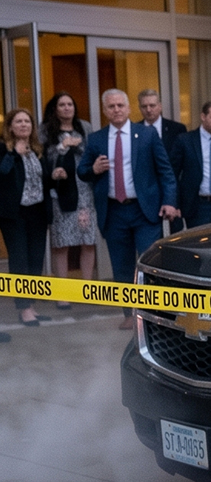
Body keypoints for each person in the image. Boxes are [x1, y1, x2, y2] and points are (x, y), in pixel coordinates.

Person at [79, 89, 178, 329]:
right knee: (121, 265)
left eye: (120, 105)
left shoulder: (147, 134)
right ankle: (129, 314)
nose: (116, 110)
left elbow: (166, 172)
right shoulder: (96, 139)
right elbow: (82, 172)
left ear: (129, 108)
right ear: (104, 111)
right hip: (114, 212)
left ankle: (153, 315)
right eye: (111, 106)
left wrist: (170, 201)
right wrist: (94, 169)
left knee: (148, 262)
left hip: (145, 211)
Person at [0, 108, 51, 335]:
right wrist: (14, 155)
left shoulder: (38, 150)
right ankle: (23, 308)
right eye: (18, 122)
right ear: (10, 127)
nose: (23, 125)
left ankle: (32, 305)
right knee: (19, 260)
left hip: (37, 212)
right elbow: (1, 173)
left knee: (35, 259)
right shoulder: (4, 149)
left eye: (27, 121)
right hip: (14, 214)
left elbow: (43, 179)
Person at [42, 93, 93, 304]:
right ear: (55, 109)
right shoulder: (46, 130)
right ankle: (63, 293)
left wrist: (77, 145)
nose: (66, 108)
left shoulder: (85, 127)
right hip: (60, 192)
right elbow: (43, 157)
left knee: (87, 241)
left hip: (85, 192)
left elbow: (92, 153)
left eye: (70, 104)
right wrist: (63, 146)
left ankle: (87, 291)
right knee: (61, 243)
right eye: (61, 105)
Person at [136, 89, 187, 153]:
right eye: (144, 106)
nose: (148, 110)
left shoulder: (177, 129)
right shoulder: (135, 130)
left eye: (152, 106)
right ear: (140, 108)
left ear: (160, 106)